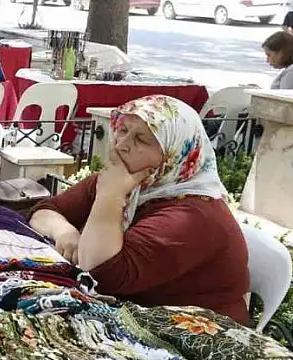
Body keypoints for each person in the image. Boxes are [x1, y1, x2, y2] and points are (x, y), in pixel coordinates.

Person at [28, 95, 249, 325]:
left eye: (141, 139)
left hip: (199, 339)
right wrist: (63, 231)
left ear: (173, 152)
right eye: (122, 130)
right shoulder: (130, 183)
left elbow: (99, 273)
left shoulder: (193, 216)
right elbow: (44, 210)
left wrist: (110, 196)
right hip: (137, 319)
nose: (122, 144)